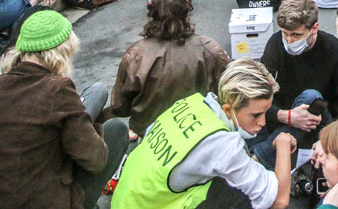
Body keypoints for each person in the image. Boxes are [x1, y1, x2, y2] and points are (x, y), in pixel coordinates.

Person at [111, 58, 297, 209]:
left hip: (127, 199)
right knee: (244, 195)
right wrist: (282, 144)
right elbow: (278, 201)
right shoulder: (222, 144)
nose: (263, 123)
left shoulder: (191, 103)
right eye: (256, 115)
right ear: (227, 109)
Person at [0, 10, 128, 209]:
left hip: (2, 197)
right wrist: (91, 129)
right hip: (48, 200)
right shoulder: (57, 89)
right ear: (61, 51)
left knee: (96, 94)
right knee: (116, 129)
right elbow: (95, 160)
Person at [252, 0, 338, 169]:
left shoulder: (334, 49)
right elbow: (257, 95)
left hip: (319, 120)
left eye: (296, 35)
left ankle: (257, 161)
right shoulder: (275, 43)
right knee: (247, 116)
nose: (289, 41)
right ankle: (267, 153)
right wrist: (287, 117)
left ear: (314, 28)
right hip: (283, 116)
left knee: (312, 97)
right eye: (285, 33)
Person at [107, 0, 228, 134]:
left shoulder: (135, 55)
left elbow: (119, 107)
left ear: (153, 12)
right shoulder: (210, 50)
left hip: (150, 136)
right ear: (187, 11)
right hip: (197, 133)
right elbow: (227, 95)